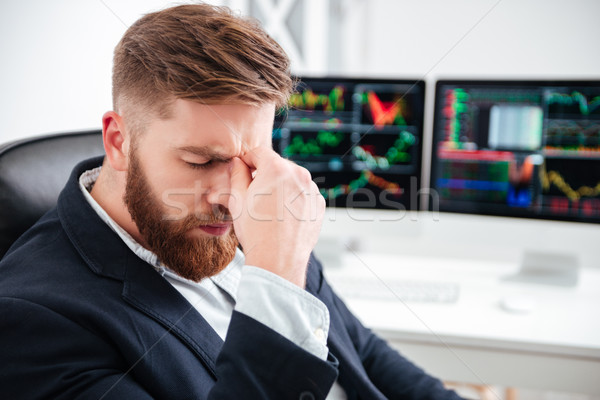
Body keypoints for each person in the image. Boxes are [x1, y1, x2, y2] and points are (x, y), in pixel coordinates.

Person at [0, 4, 463, 399]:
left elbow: (362, 353)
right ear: (119, 141)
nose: (232, 196)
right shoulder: (31, 321)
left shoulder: (253, 211)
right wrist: (276, 278)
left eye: (250, 159)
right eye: (201, 161)